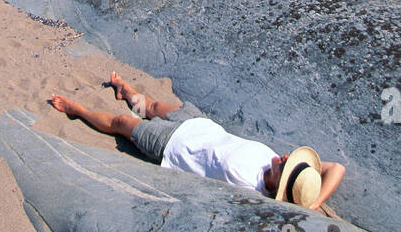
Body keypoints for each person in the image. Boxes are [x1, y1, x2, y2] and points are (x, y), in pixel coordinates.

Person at [50, 73, 344, 209]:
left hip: (172, 147)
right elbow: (337, 168)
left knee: (122, 124)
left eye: (284, 164)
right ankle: (125, 91)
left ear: (280, 188)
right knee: (151, 107)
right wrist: (315, 202)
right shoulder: (276, 164)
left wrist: (302, 205)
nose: (281, 157)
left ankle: (77, 110)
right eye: (288, 156)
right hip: (199, 124)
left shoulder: (254, 195)